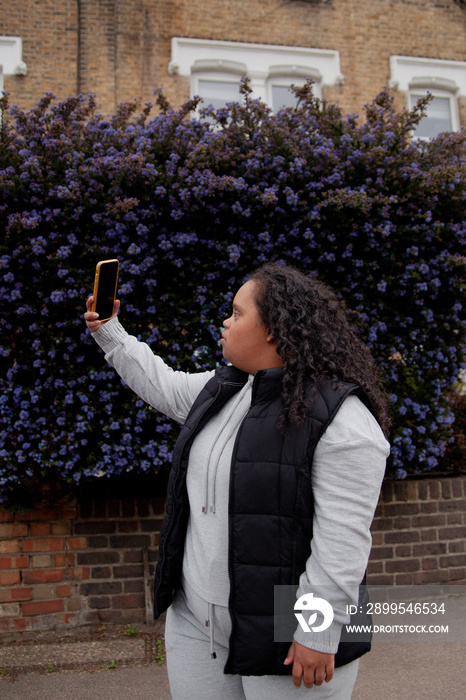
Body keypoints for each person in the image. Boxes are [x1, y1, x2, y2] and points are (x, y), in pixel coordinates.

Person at [84, 262, 390, 699]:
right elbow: (164, 385)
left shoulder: (343, 421)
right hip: (197, 625)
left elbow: (342, 543)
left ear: (272, 328)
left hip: (287, 633)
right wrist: (108, 329)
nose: (225, 322)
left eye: (237, 313)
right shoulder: (225, 389)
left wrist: (318, 632)